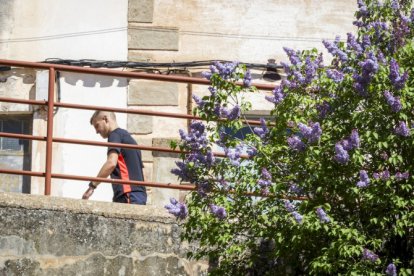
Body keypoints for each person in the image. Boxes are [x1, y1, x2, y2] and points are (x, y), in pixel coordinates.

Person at [82, 110, 147, 205]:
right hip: (138, 195)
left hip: (128, 194)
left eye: (97, 125)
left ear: (105, 119)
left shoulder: (114, 135)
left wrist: (92, 186)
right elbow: (142, 170)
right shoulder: (128, 138)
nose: (96, 131)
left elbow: (111, 163)